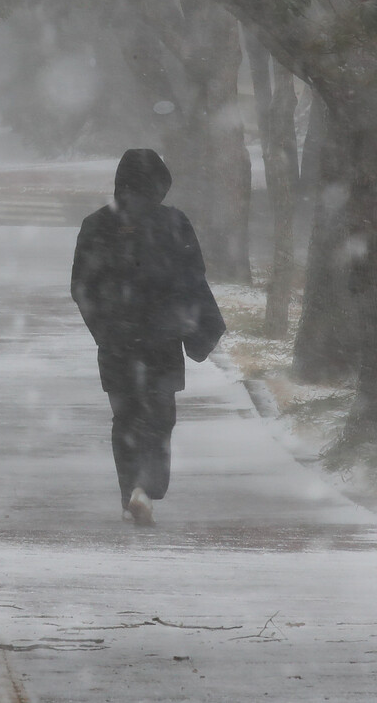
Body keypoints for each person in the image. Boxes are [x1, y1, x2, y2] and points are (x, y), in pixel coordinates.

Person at [71, 149, 226, 526]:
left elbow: (81, 286)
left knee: (125, 418)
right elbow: (193, 277)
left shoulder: (96, 225)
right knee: (159, 419)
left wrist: (103, 329)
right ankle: (146, 486)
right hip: (162, 342)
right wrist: (194, 325)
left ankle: (130, 492)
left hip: (116, 345)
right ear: (160, 183)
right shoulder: (173, 223)